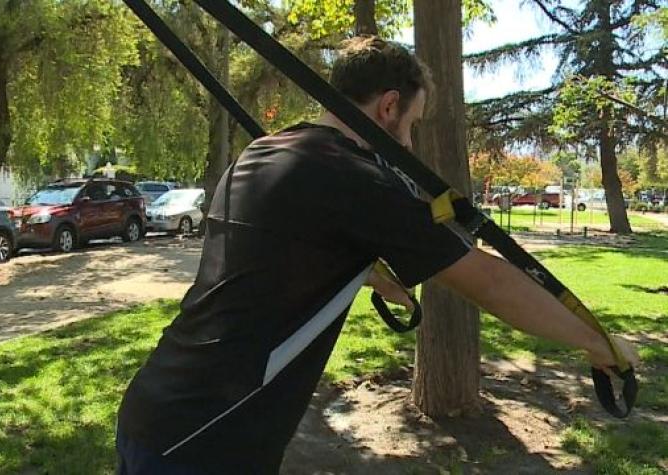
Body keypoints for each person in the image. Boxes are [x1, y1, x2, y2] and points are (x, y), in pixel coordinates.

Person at [115, 37, 638, 475]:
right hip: (209, 437)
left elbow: (277, 253)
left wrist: (370, 274)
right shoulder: (354, 178)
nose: (409, 142)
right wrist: (597, 344)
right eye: (412, 123)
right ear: (388, 106)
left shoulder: (269, 151)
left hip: (160, 407)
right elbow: (489, 281)